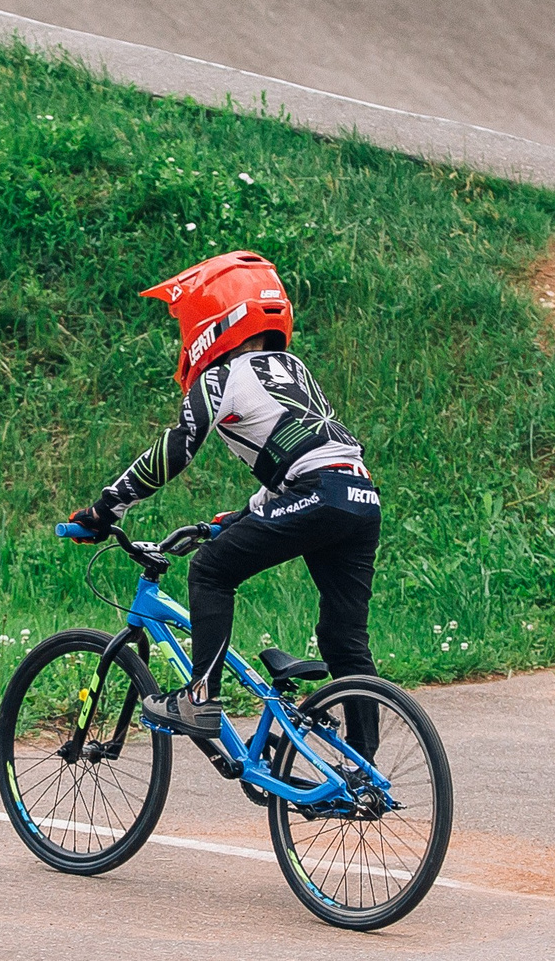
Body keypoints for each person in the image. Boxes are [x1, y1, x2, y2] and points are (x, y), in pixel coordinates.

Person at [58, 250, 381, 746]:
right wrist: (238, 519)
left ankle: (200, 699)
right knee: (345, 643)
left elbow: (175, 448)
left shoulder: (222, 377)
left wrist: (107, 508)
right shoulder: (292, 368)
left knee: (210, 571)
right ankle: (363, 773)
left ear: (210, 321)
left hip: (316, 493)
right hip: (359, 498)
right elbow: (302, 452)